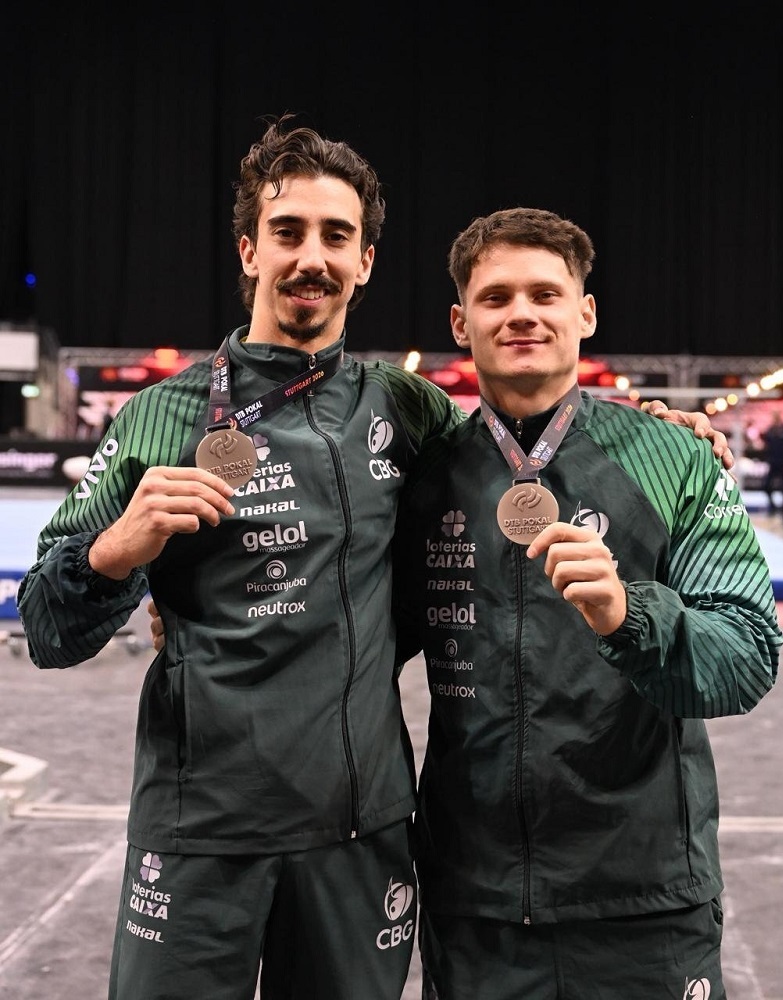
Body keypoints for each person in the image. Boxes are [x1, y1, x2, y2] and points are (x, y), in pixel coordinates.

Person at [18, 113, 732, 1000]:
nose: (310, 256)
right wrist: (116, 553)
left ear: (363, 261)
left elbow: (517, 448)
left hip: (362, 836)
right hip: (197, 827)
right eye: (287, 232)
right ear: (249, 250)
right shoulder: (157, 419)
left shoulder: (412, 410)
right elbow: (47, 627)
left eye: (336, 236)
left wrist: (665, 433)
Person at [390, 207, 782, 999]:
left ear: (585, 312)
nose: (523, 313)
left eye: (546, 292)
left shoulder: (673, 455)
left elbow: (747, 653)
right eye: (497, 298)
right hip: (477, 907)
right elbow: (347, 630)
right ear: (462, 324)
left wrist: (629, 616)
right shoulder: (422, 479)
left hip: (644, 904)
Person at [760, 408, 783, 521]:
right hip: (773, 463)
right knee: (766, 485)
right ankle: (773, 507)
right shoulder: (770, 431)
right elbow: (766, 447)